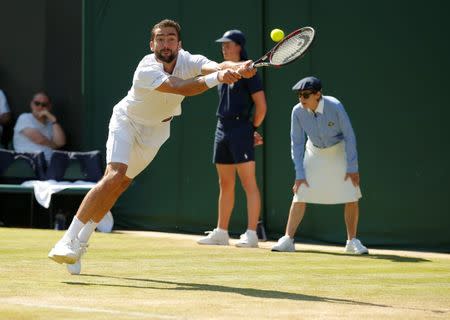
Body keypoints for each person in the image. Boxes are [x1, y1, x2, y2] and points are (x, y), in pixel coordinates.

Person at [48, 19, 257, 274]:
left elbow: (217, 65)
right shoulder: (146, 68)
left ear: (179, 44)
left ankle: (80, 242)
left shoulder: (189, 60)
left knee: (121, 184)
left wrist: (238, 67)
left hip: (156, 131)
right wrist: (218, 77)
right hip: (127, 122)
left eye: (170, 38)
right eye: (160, 39)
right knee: (113, 176)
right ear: (152, 44)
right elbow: (181, 87)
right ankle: (66, 239)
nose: (165, 43)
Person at [271, 76, 368, 254]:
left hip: (339, 149)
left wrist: (352, 167)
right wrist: (299, 174)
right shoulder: (297, 111)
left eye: (306, 95)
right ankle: (288, 239)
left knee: (351, 194)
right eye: (299, 95)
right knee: (300, 193)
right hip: (313, 151)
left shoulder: (335, 106)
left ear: (318, 94)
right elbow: (297, 143)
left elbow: (349, 135)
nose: (302, 99)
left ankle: (352, 241)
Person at [197, 30, 267, 248]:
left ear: (239, 46)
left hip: (240, 128)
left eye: (228, 44)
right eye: (223, 45)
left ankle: (251, 234)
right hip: (222, 128)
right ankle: (221, 232)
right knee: (225, 183)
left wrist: (250, 129)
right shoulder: (223, 69)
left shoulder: (250, 72)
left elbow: (262, 107)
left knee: (248, 183)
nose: (224, 48)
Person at [13, 91, 66, 162]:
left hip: (49, 161)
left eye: (44, 105)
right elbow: (39, 140)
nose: (40, 107)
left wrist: (54, 120)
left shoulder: (51, 123)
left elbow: (61, 142)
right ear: (31, 104)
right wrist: (54, 146)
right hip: (28, 161)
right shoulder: (24, 117)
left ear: (49, 107)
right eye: (37, 103)